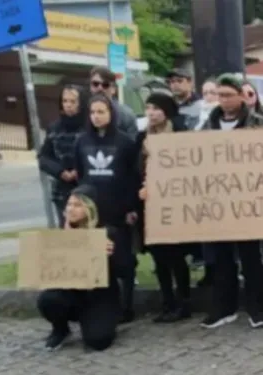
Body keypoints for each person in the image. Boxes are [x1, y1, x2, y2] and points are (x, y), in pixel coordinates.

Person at [199, 74, 263, 330]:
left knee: (251, 256)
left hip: (248, 201)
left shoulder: (259, 123)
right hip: (218, 201)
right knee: (220, 258)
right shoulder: (207, 126)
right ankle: (223, 308)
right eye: (220, 95)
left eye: (229, 95)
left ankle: (257, 309)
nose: (224, 100)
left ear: (241, 96)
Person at [73, 93, 141, 324]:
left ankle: (127, 306)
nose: (96, 117)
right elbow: (81, 175)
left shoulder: (124, 142)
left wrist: (132, 207)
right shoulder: (81, 141)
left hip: (119, 210)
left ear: (111, 114)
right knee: (98, 259)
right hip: (93, 212)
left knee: (123, 261)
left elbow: (133, 177)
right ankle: (103, 305)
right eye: (92, 112)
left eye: (101, 112)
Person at [37, 184, 122, 352]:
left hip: (99, 295)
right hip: (72, 293)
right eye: (69, 204)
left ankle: (99, 321)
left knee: (98, 341)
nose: (70, 209)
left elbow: (124, 268)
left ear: (90, 208)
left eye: (77, 205)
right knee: (48, 299)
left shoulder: (107, 233)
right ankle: (60, 328)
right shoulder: (61, 233)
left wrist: (110, 256)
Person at [136, 92, 192, 323]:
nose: (151, 113)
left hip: (175, 203)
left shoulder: (180, 135)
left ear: (167, 111)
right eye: (148, 108)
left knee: (176, 257)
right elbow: (136, 168)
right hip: (151, 204)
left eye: (156, 108)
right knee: (159, 259)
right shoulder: (141, 138)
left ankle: (184, 302)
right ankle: (167, 302)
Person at [38, 84, 88, 227]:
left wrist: (79, 170)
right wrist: (60, 171)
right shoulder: (54, 128)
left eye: (73, 102)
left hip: (86, 187)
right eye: (65, 101)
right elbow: (44, 157)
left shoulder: (89, 127)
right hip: (62, 191)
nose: (68, 105)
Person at [89, 67, 137, 137]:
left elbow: (131, 144)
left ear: (113, 89)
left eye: (105, 85)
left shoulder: (126, 115)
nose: (100, 88)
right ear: (91, 87)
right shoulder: (81, 110)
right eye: (95, 84)